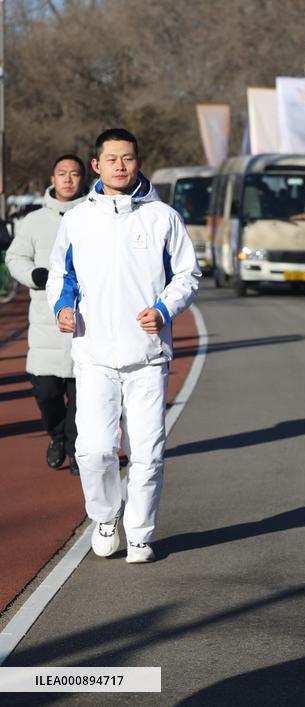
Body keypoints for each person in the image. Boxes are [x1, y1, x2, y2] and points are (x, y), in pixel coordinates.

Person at [47, 128, 200, 564]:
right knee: (92, 450)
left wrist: (165, 309)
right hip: (93, 354)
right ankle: (105, 515)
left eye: (127, 158)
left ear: (137, 162)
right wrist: (62, 306)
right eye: (111, 158)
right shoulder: (78, 219)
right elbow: (62, 273)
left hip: (147, 356)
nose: (119, 165)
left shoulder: (163, 218)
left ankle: (140, 533)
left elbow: (187, 275)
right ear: (96, 165)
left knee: (148, 453)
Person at [5, 155, 88, 474]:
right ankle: (56, 436)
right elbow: (15, 258)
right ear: (52, 178)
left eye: (75, 174)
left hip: (84, 323)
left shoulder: (93, 215)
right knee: (47, 393)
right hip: (45, 323)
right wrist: (36, 276)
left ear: (85, 178)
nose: (68, 179)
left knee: (81, 397)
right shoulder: (34, 220)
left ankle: (76, 447)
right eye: (62, 173)